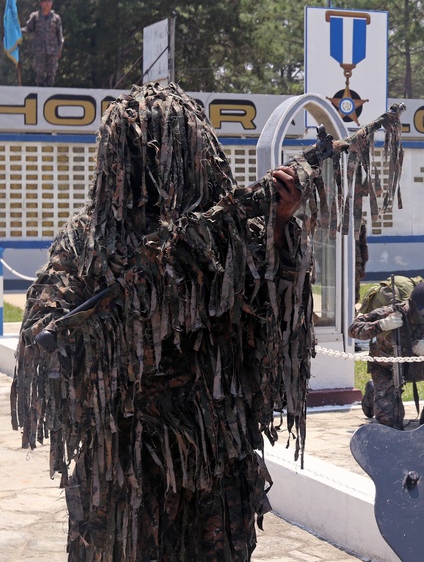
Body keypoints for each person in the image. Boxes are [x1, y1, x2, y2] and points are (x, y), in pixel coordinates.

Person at [11, 83, 318, 561]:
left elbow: (276, 311)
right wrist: (98, 324)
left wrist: (279, 225)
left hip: (214, 453)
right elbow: (45, 327)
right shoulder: (88, 240)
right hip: (124, 459)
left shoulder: (229, 232)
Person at [350, 281, 424, 428]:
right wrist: (381, 325)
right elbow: (353, 329)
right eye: (422, 311)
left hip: (414, 366)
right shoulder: (390, 312)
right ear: (411, 304)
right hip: (386, 367)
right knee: (391, 421)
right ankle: (374, 390)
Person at [22, 0, 64, 86]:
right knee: (39, 73)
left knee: (51, 73)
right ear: (40, 3)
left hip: (52, 51)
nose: (47, 3)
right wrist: (17, 30)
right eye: (45, 1)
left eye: (49, 1)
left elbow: (60, 36)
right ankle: (40, 92)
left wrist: (59, 50)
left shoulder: (56, 18)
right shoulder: (35, 16)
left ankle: (49, 92)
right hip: (39, 50)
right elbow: (28, 29)